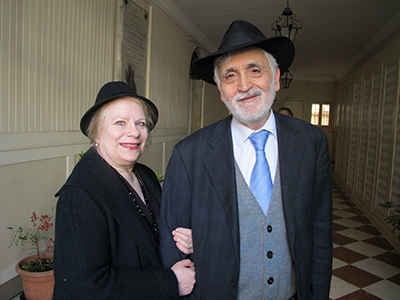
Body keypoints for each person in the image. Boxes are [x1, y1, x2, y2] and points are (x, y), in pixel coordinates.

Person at [159, 20, 332, 300]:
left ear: (275, 78)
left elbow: (320, 231)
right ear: (220, 90)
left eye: (254, 70)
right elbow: (173, 245)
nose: (244, 85)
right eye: (230, 76)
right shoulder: (189, 153)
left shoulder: (311, 142)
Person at [53, 81, 195, 299]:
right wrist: (170, 283)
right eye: (120, 122)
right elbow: (89, 285)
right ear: (97, 133)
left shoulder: (145, 175)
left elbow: (155, 233)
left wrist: (182, 237)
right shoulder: (80, 195)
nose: (134, 133)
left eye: (140, 123)